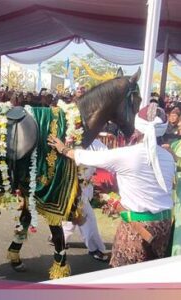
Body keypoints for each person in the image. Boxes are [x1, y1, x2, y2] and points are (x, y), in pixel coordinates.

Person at [48, 102, 176, 267]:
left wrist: (63, 149)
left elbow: (85, 157)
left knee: (122, 278)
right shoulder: (168, 157)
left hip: (136, 229)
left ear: (138, 128)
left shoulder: (127, 154)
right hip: (163, 226)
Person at [62, 139, 110, 262]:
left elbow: (109, 158)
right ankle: (96, 249)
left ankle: (59, 238)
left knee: (74, 216)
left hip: (86, 187)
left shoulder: (96, 144)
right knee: (88, 219)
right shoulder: (69, 139)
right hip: (72, 188)